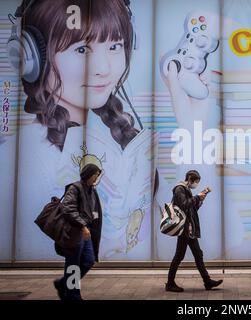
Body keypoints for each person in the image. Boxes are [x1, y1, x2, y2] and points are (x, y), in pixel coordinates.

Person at [9, 0, 158, 260]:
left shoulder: (117, 135)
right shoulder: (24, 154)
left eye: (114, 46)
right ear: (30, 57)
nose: (103, 69)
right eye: (82, 50)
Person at [54, 159, 103, 301]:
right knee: (73, 264)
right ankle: (73, 296)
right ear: (88, 174)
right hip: (75, 232)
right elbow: (67, 209)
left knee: (88, 260)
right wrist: (82, 225)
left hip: (85, 231)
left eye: (97, 175)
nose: (96, 178)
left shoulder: (91, 190)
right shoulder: (75, 188)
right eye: (95, 174)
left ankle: (63, 284)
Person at [166, 170, 223, 292]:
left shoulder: (186, 190)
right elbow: (184, 205)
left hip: (189, 230)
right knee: (179, 256)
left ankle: (207, 281)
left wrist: (201, 198)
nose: (196, 184)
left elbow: (192, 208)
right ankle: (170, 284)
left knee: (198, 254)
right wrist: (197, 197)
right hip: (184, 230)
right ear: (190, 179)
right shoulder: (179, 189)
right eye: (196, 182)